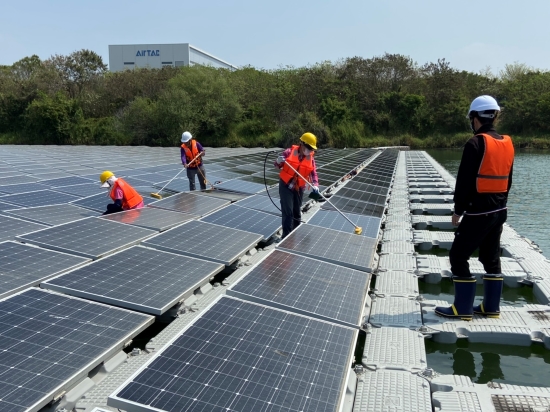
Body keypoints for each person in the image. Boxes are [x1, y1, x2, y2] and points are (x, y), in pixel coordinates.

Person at [435, 95, 514, 320]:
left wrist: (458, 210)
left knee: (458, 256)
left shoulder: (475, 143)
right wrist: (500, 205)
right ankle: (491, 308)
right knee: (490, 257)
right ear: (495, 116)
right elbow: (509, 180)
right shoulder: (507, 143)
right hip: (499, 210)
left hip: (478, 211)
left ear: (475, 118)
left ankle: (462, 308)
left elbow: (464, 181)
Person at [275, 132, 320, 239]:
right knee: (288, 212)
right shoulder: (288, 152)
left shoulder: (310, 159)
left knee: (296, 212)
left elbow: (314, 173)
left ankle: (295, 235)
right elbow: (277, 165)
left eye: (311, 149)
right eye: (308, 147)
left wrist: (315, 184)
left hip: (299, 188)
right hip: (286, 186)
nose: (309, 150)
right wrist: (278, 161)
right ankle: (286, 237)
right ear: (302, 144)